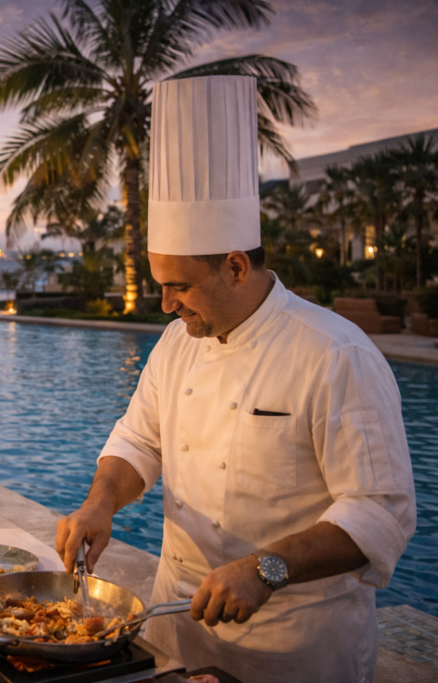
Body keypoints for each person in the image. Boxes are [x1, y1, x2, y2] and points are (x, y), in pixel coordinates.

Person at [56, 76, 416, 683]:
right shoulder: (178, 344)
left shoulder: (334, 353)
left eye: (180, 287)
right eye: (159, 285)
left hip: (296, 648)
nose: (166, 305)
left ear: (236, 265)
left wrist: (266, 569)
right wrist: (100, 504)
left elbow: (381, 512)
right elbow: (140, 442)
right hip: (180, 626)